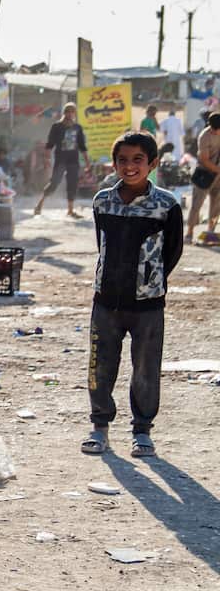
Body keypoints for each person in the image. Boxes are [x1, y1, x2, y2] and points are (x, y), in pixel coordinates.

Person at [81, 131, 182, 459]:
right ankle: (100, 427)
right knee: (101, 365)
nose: (129, 166)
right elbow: (102, 245)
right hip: (106, 301)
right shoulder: (103, 201)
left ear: (152, 163)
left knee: (145, 368)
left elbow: (173, 251)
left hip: (148, 306)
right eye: (122, 160)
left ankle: (142, 431)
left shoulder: (166, 205)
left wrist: (151, 281)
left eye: (138, 159)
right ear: (114, 163)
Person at [34, 103, 91, 219]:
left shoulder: (77, 128)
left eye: (72, 112)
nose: (70, 114)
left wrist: (87, 162)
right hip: (60, 160)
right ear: (64, 113)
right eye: (68, 111)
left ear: (74, 114)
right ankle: (39, 204)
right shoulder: (57, 126)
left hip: (73, 160)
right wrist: (47, 159)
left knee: (72, 184)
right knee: (54, 182)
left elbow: (82, 146)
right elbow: (50, 144)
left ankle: (70, 210)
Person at [186, 112, 220, 243]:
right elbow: (204, 160)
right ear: (211, 127)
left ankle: (210, 233)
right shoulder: (204, 137)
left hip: (218, 176)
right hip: (204, 174)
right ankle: (189, 233)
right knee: (197, 204)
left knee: (216, 204)